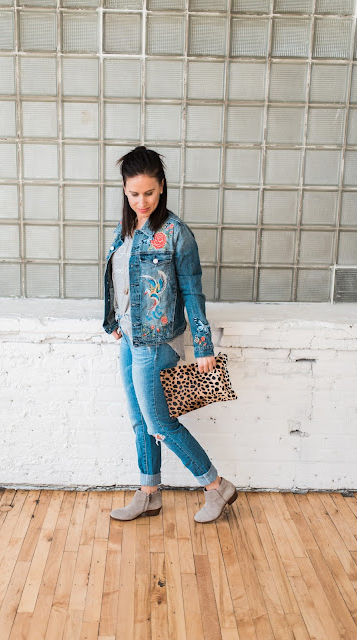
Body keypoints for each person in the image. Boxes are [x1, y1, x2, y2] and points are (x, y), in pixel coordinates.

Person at [102, 146, 237, 523]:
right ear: (124, 190)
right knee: (140, 421)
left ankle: (216, 486)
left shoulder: (176, 233)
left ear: (161, 186)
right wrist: (115, 320)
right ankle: (149, 494)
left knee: (159, 423)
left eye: (149, 192)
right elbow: (120, 278)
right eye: (134, 193)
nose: (141, 201)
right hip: (130, 339)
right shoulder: (125, 229)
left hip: (157, 342)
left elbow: (193, 292)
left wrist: (204, 344)